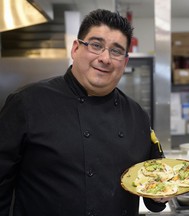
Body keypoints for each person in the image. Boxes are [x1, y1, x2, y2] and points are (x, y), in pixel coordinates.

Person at [0, 9, 169, 216]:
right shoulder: (27, 103)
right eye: (96, 45)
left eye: (116, 51)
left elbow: (155, 195)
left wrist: (163, 192)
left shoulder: (137, 116)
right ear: (75, 48)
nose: (105, 58)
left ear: (124, 63)